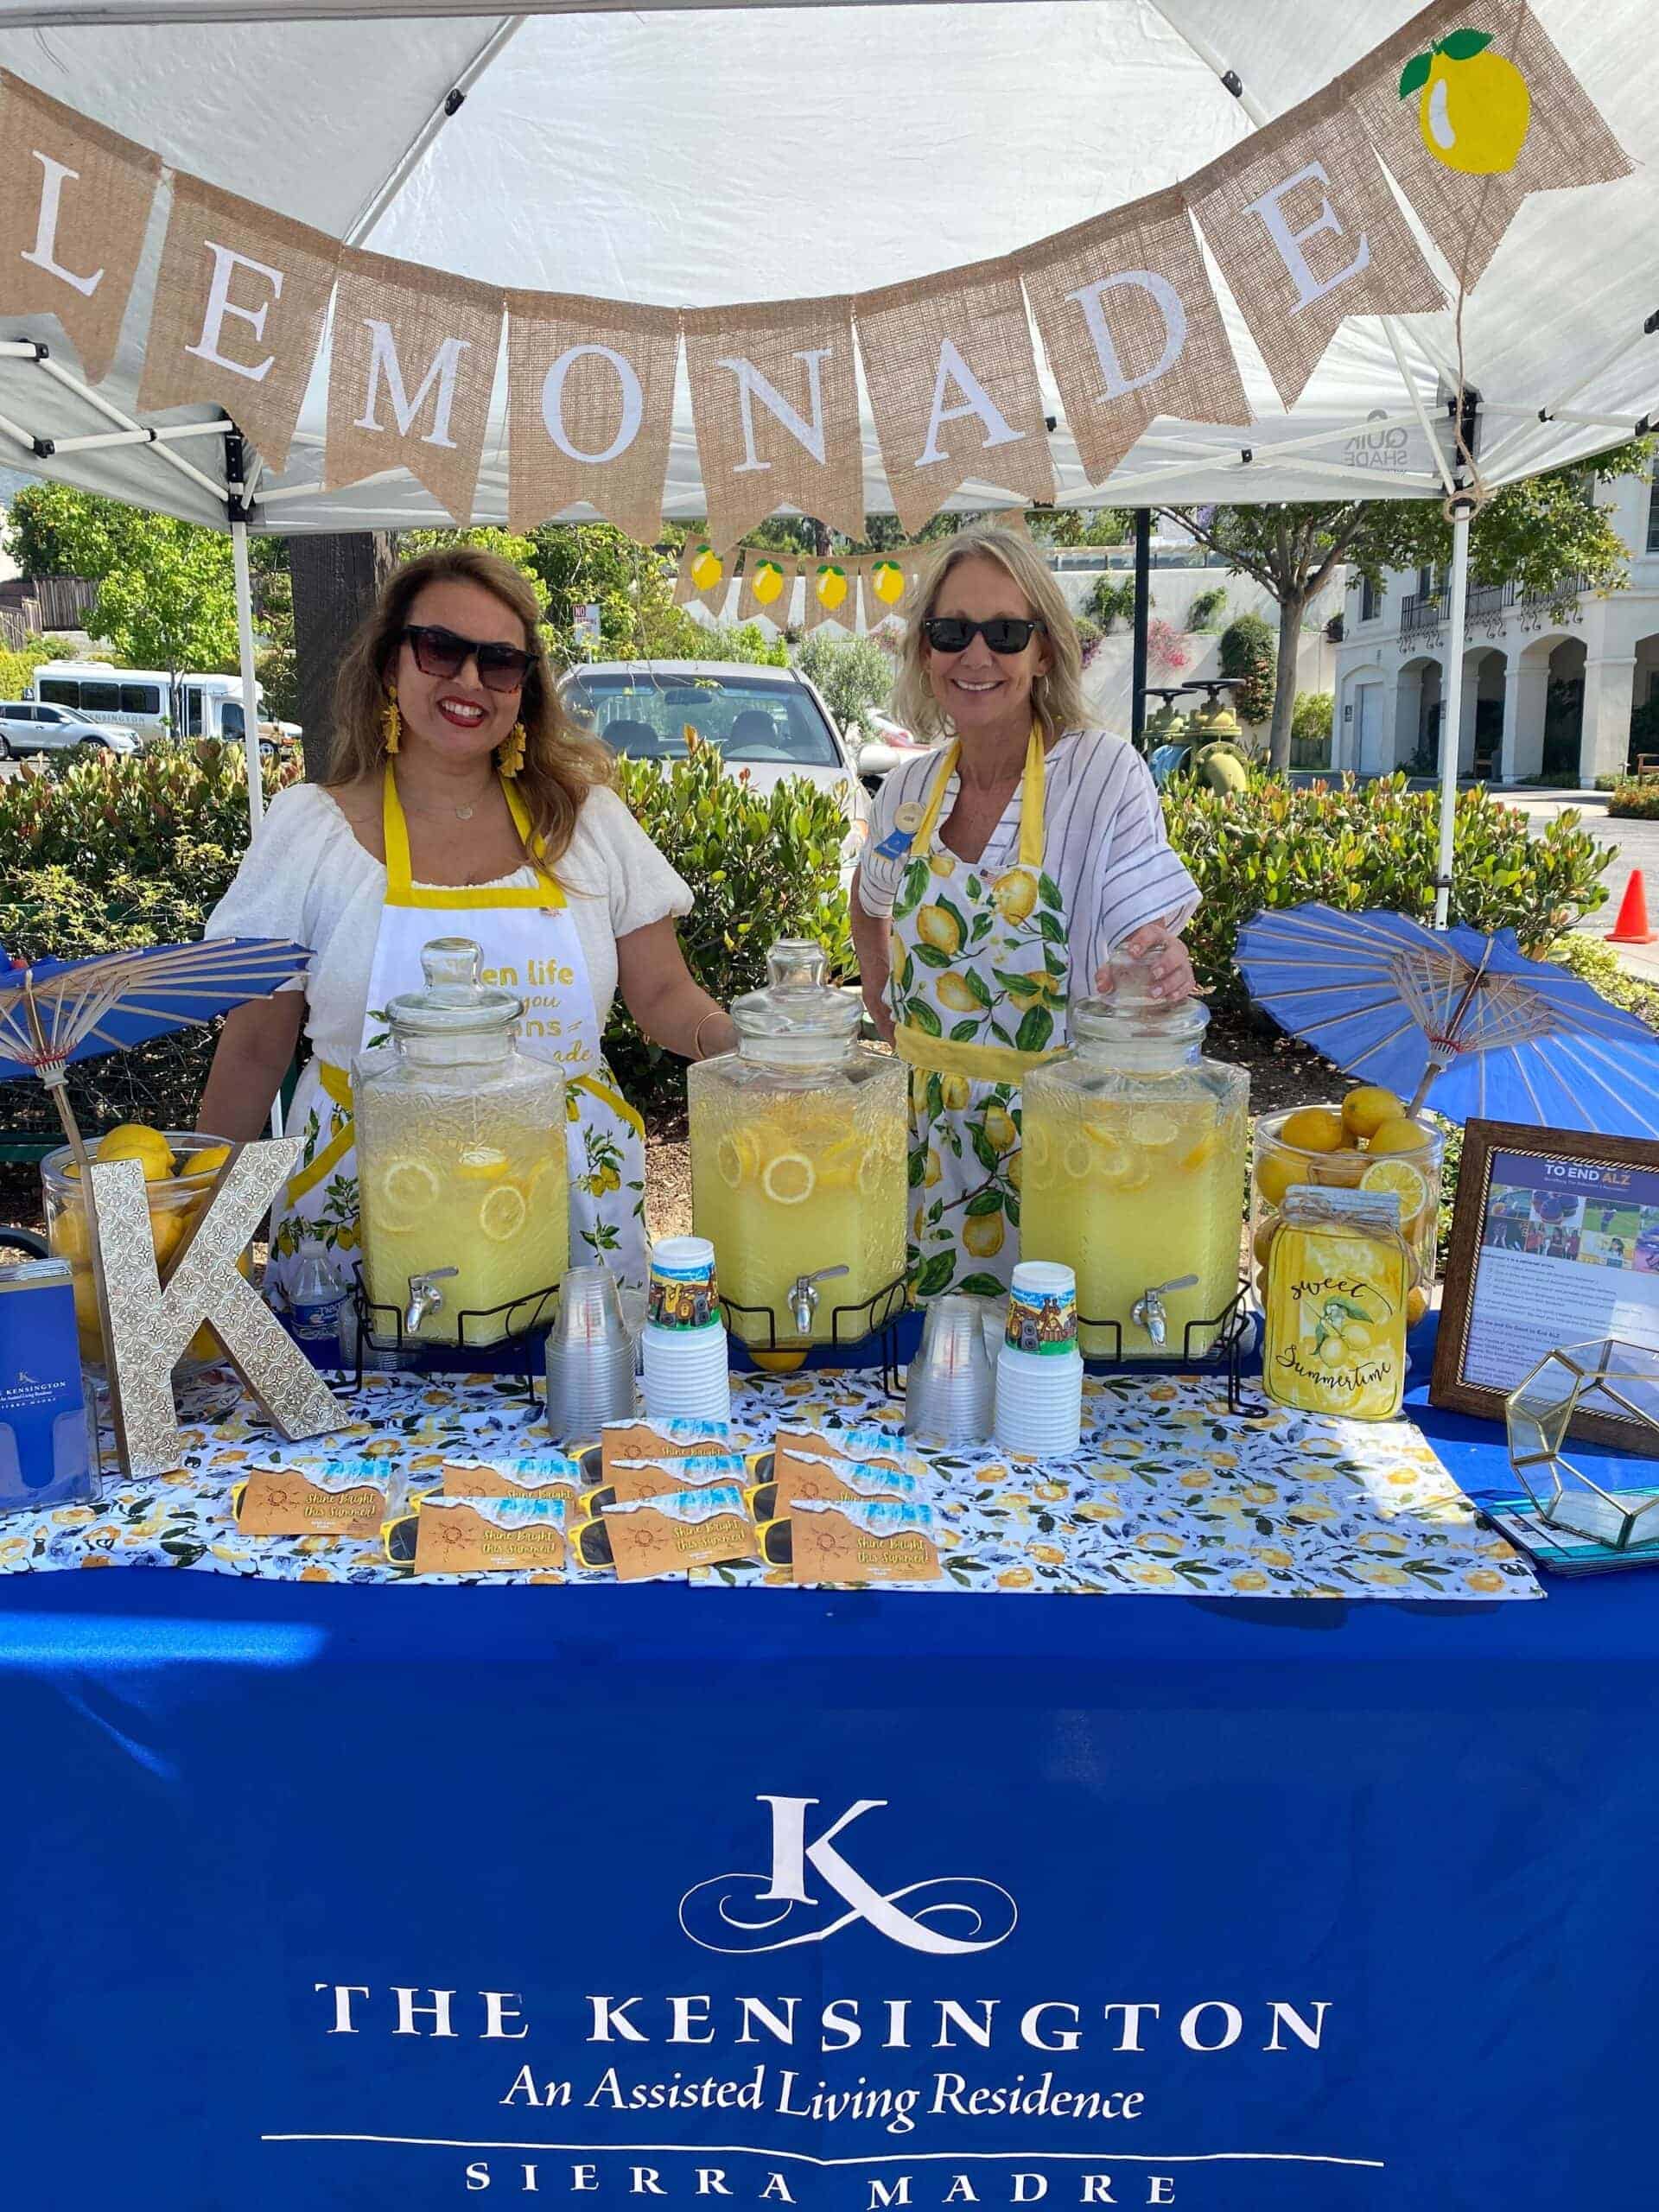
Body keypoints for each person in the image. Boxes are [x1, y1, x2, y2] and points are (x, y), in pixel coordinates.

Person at [198, 546, 737, 1301]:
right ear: (392, 664)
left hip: (565, 1191)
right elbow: (255, 1050)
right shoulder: (309, 832)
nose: (469, 681)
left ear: (527, 685)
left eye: (500, 662)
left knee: (580, 1407)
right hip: (366, 1195)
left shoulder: (587, 825)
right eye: (440, 650)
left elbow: (664, 995)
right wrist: (200, 1236)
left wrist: (746, 1044)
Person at [851, 526, 1198, 1299]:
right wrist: (886, 1010)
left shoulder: (1104, 773)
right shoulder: (907, 793)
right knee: (929, 1369)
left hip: (1058, 1139)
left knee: (1049, 1363)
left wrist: (1159, 961)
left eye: (1006, 633)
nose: (976, 657)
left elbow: (1145, 934)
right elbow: (868, 899)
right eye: (950, 633)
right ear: (925, 652)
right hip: (926, 1144)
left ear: (1045, 651)